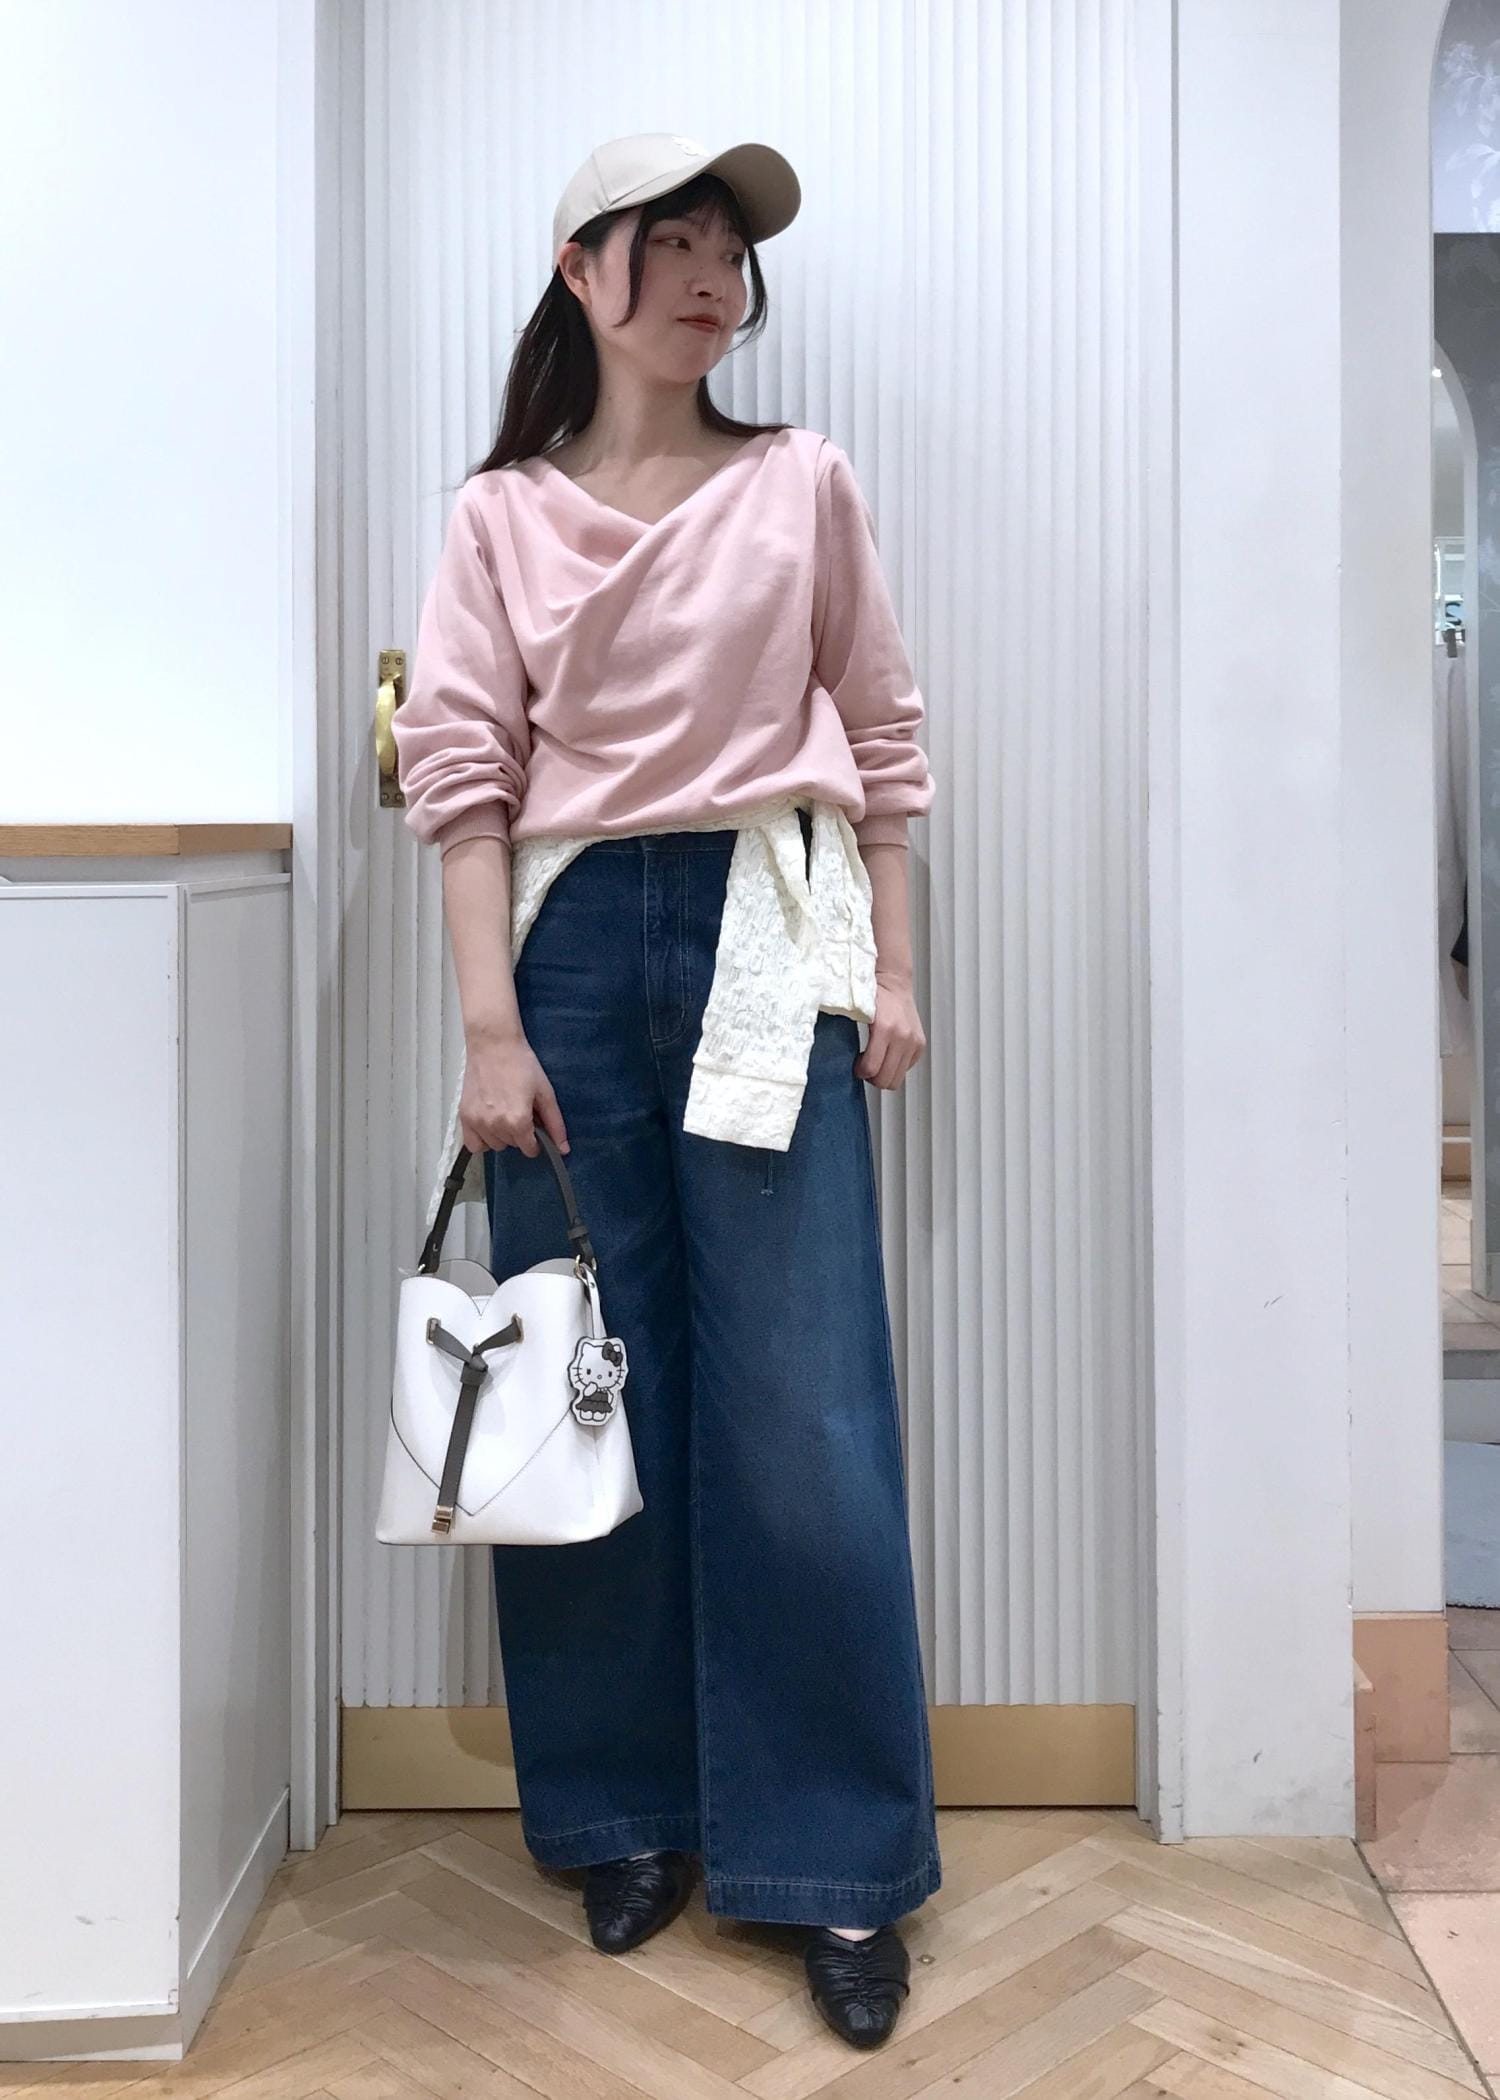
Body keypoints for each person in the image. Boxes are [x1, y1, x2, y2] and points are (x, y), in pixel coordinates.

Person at [392, 131, 940, 2052]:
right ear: (583, 268)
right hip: (562, 952)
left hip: (764, 934)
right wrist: (489, 1029)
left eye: (731, 253)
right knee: (585, 1392)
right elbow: (462, 772)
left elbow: (879, 730)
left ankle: (833, 1861)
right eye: (675, 243)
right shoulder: (500, 517)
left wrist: (892, 964)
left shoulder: (803, 482)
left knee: (805, 1409)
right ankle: (623, 1811)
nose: (713, 279)